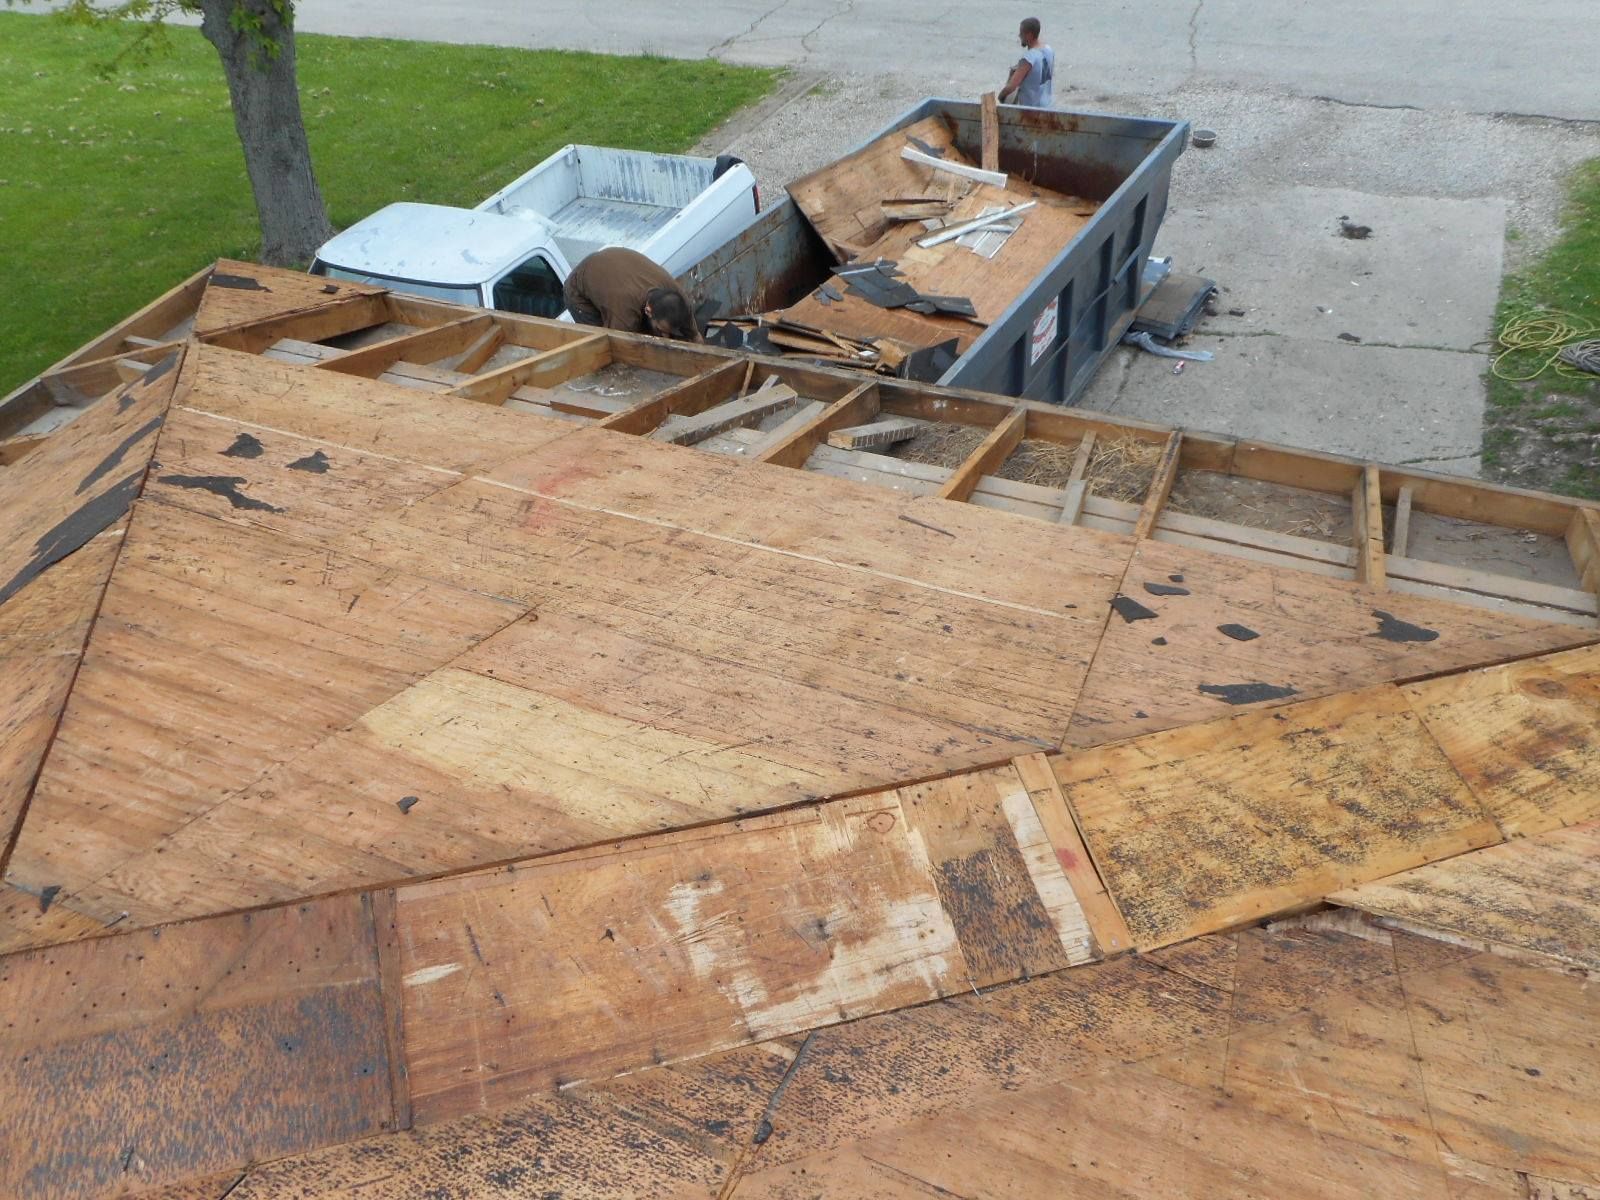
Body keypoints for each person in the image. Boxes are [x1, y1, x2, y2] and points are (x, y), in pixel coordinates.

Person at [562, 246, 702, 341]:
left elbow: (696, 337)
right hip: (580, 290)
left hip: (614, 267)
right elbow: (617, 345)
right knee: (605, 343)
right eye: (661, 330)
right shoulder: (624, 313)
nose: (666, 337)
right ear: (648, 310)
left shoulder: (680, 301)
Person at [999, 17, 1055, 108]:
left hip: (1032, 109)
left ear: (1029, 35)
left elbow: (1011, 87)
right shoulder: (1049, 50)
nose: (1019, 35)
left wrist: (1000, 97)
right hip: (1048, 105)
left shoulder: (1028, 59)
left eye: (1021, 33)